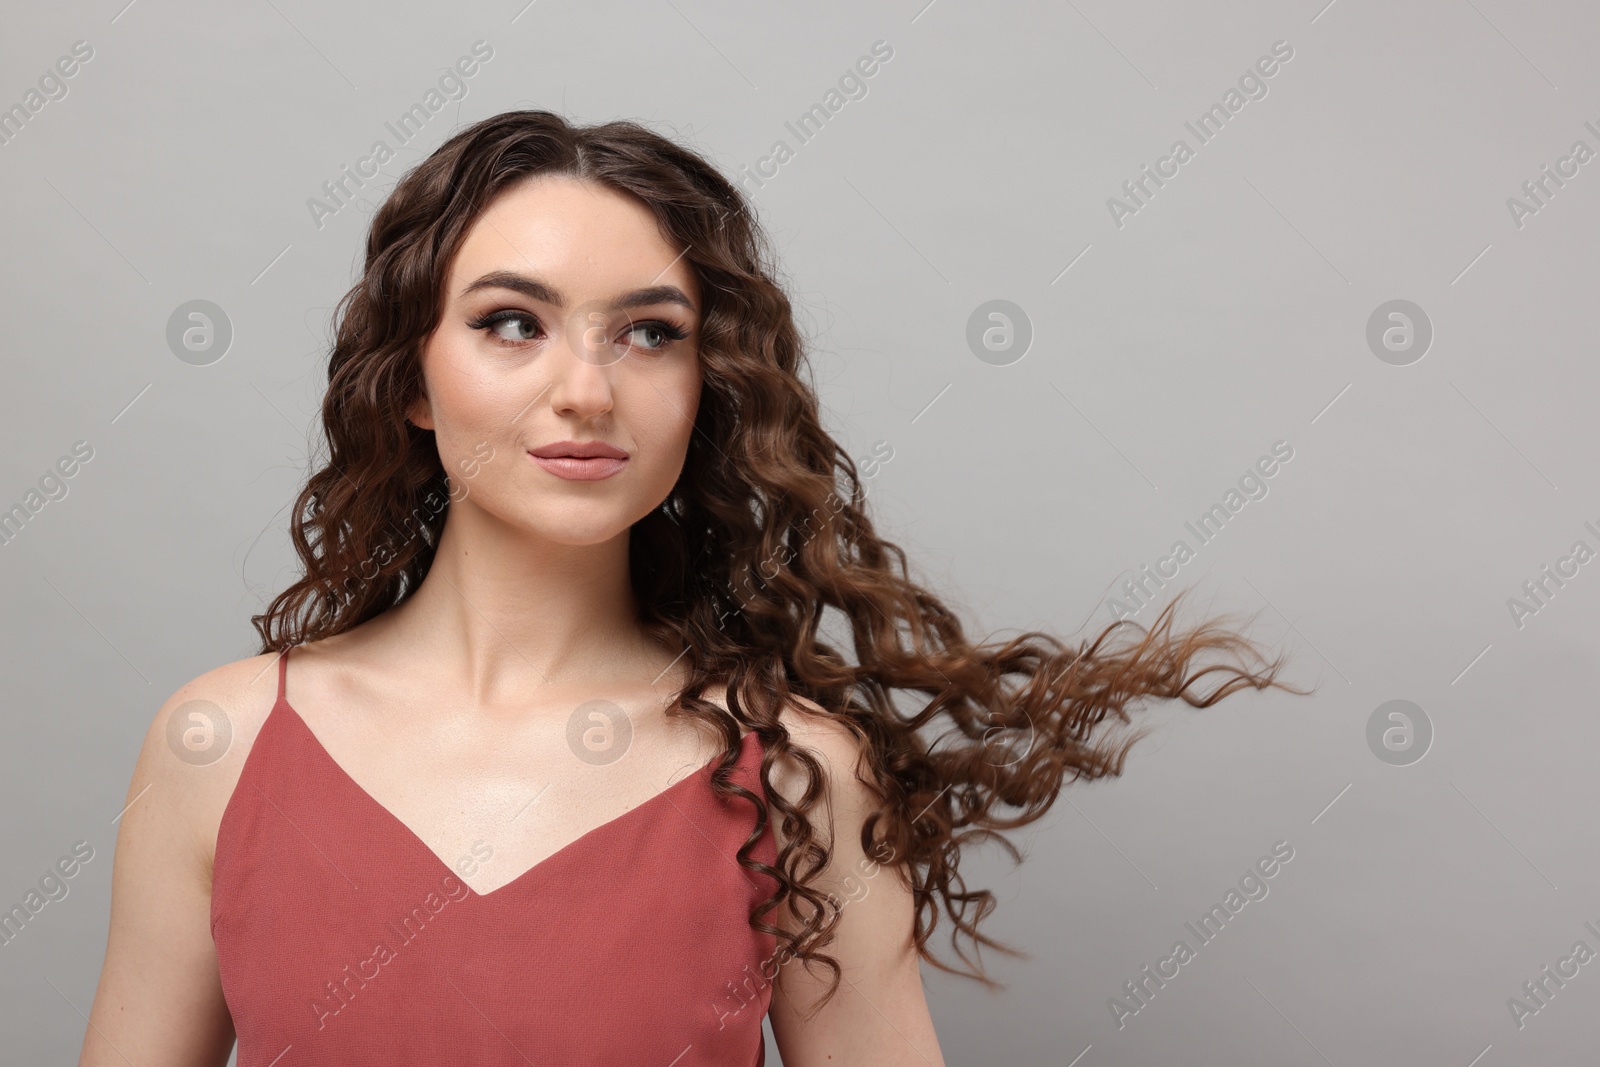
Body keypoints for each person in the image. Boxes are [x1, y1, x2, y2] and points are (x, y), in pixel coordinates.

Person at [78, 110, 1299, 1066]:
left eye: (650, 333)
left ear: (706, 387)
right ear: (408, 375)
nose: (587, 391)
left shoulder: (794, 775)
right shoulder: (222, 744)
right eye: (514, 323)